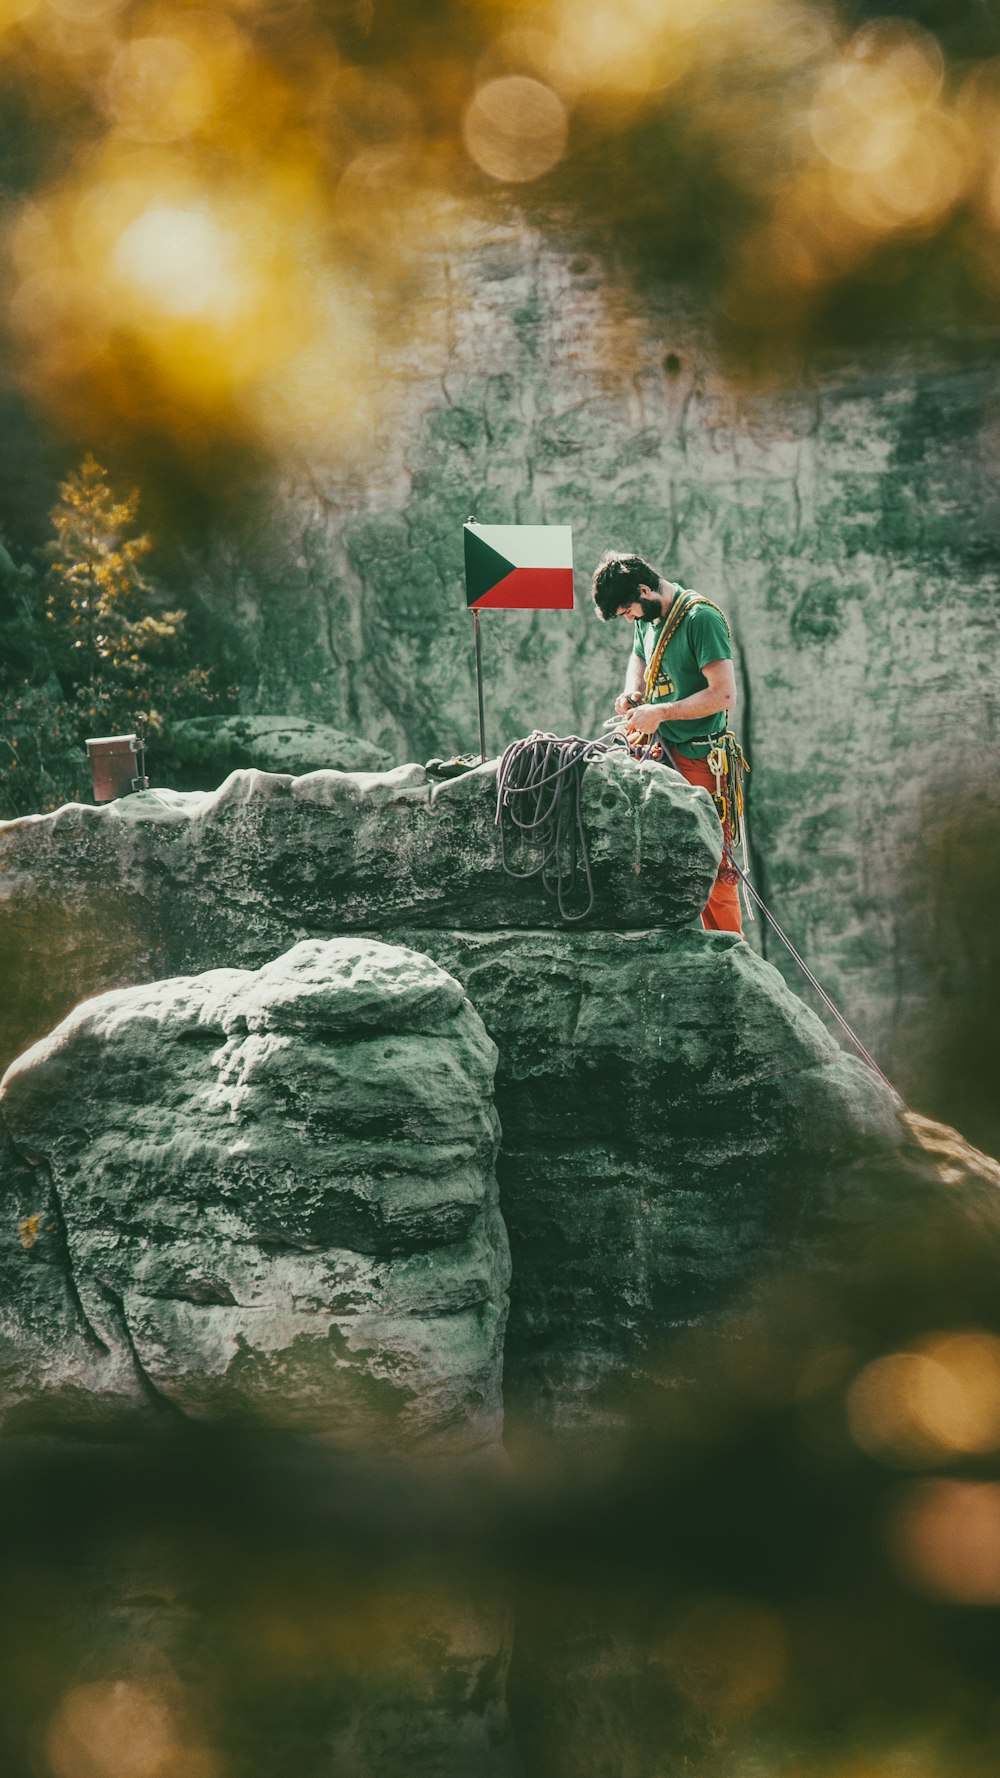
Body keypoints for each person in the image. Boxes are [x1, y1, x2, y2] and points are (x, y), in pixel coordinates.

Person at [591, 549, 744, 935]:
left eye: (628, 611)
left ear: (645, 590)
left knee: (712, 862)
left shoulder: (699, 619)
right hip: (662, 752)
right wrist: (632, 693)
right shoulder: (648, 616)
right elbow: (639, 656)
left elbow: (723, 695)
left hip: (699, 757)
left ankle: (729, 950)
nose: (629, 619)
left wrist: (660, 712)